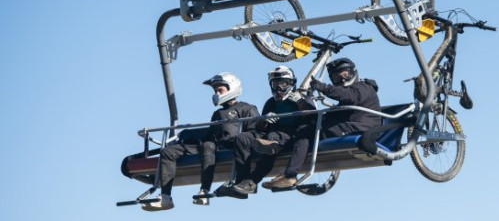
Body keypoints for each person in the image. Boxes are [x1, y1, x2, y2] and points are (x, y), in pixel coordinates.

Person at [142, 72, 259, 211]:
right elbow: (211, 133)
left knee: (208, 146)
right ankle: (165, 197)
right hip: (212, 144)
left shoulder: (247, 108)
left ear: (232, 88)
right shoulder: (217, 113)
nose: (216, 93)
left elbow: (255, 132)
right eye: (215, 90)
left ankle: (204, 191)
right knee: (167, 152)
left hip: (229, 146)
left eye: (220, 90)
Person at [261, 57, 381, 189]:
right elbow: (341, 110)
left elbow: (349, 96)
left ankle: (290, 175)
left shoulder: (363, 87)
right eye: (336, 77)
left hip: (361, 128)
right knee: (307, 127)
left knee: (305, 131)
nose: (342, 79)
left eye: (345, 74)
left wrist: (322, 87)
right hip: (350, 125)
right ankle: (277, 148)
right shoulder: (350, 94)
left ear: (353, 73)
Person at [215, 65, 315, 198]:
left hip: (293, 134)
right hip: (271, 133)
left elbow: (312, 117)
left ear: (291, 83)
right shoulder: (271, 102)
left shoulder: (302, 98)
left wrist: (299, 101)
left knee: (270, 139)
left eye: (283, 83)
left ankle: (252, 181)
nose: (279, 87)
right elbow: (260, 128)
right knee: (242, 138)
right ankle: (242, 181)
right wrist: (265, 120)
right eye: (275, 84)